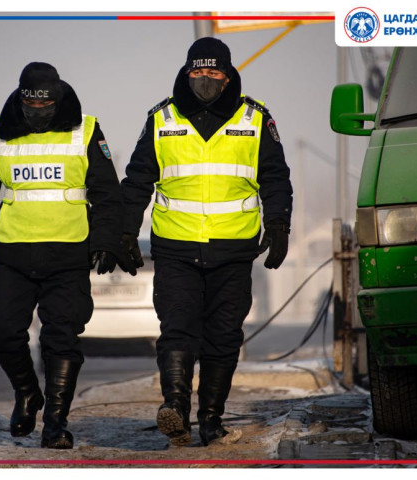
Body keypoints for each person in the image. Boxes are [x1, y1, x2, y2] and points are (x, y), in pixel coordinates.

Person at [120, 37, 293, 447]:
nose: (205, 80)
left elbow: (275, 178)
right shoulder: (162, 118)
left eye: (214, 72)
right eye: (197, 72)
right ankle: (175, 409)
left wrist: (280, 224)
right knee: (177, 329)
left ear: (228, 75)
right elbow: (137, 178)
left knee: (223, 336)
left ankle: (211, 418)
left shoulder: (255, 119)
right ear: (186, 73)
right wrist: (126, 230)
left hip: (233, 251)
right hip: (175, 247)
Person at [0, 62, 123, 449]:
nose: (37, 110)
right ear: (20, 97)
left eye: (44, 103)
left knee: (61, 340)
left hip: (68, 255)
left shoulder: (85, 130)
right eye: (30, 102)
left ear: (57, 99)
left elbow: (107, 192)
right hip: (14, 257)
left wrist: (107, 241)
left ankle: (56, 424)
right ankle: (27, 393)